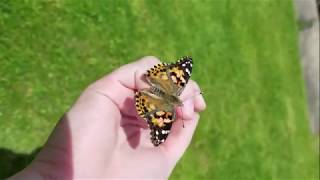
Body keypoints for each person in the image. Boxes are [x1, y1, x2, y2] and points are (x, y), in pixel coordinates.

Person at [10, 56, 206, 179]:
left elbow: (182, 69)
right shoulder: (168, 114)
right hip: (151, 97)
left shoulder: (170, 109)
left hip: (152, 90)